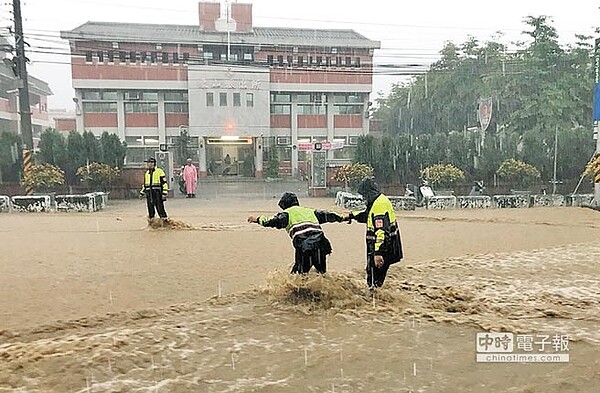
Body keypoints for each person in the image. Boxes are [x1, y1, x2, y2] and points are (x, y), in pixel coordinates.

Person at [247, 192, 348, 274]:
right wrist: (343, 217)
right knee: (321, 274)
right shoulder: (309, 211)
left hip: (305, 247)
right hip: (322, 245)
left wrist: (257, 219)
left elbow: (272, 221)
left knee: (297, 277)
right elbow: (328, 215)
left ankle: (298, 297)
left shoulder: (286, 214)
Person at [348, 177, 403, 289]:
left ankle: (375, 303)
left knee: (374, 280)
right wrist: (352, 216)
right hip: (386, 246)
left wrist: (378, 253)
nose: (363, 198)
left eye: (364, 195)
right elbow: (368, 216)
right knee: (373, 276)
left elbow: (381, 231)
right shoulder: (378, 201)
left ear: (369, 193)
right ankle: (378, 300)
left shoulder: (379, 205)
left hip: (383, 249)